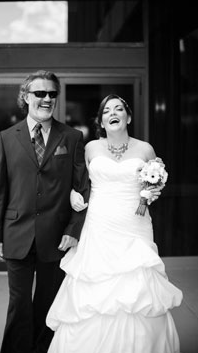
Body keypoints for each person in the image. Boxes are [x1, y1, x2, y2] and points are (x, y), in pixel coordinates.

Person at [46, 94, 182, 352]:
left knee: (137, 282)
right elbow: (78, 184)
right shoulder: (90, 149)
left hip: (135, 225)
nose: (113, 113)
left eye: (118, 108)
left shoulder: (145, 149)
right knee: (96, 284)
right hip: (99, 224)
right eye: (107, 110)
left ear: (128, 117)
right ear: (101, 121)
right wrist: (74, 195)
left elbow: (154, 182)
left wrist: (153, 192)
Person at [0, 70, 90, 353]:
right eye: (40, 93)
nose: (46, 99)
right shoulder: (7, 137)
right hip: (16, 233)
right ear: (26, 97)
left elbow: (83, 190)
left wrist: (73, 231)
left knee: (48, 305)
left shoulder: (71, 137)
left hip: (56, 237)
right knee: (18, 305)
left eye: (52, 94)